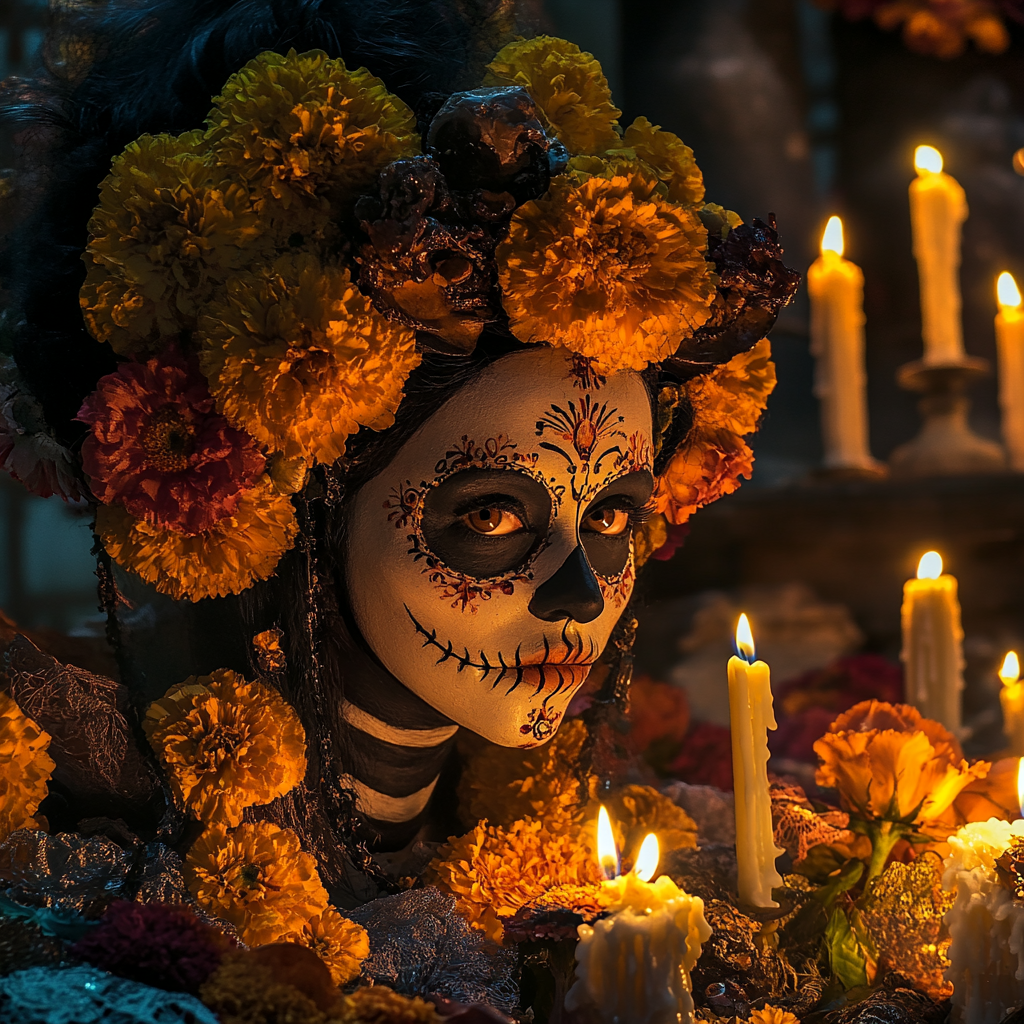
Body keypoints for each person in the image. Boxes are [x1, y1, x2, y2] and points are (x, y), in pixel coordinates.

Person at [0, 0, 798, 903]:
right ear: (297, 493)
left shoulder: (545, 833)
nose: (581, 596)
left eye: (612, 513)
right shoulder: (67, 811)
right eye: (492, 513)